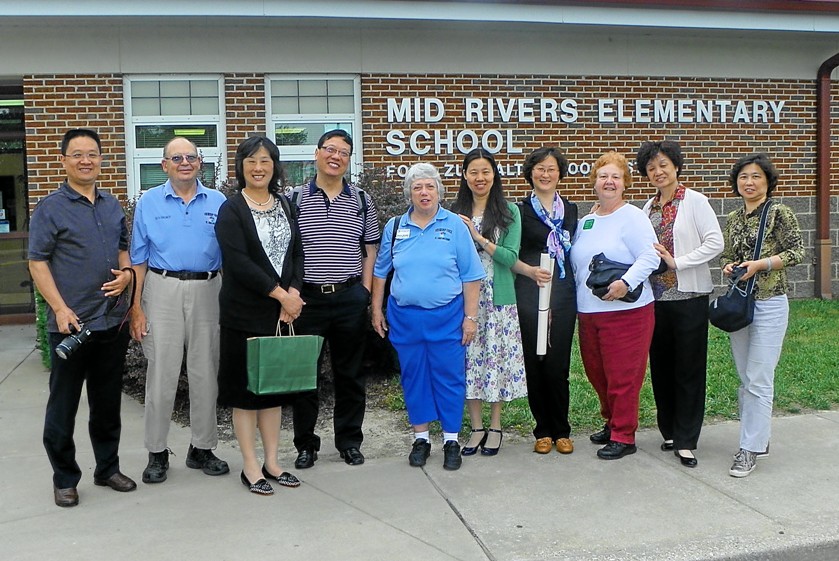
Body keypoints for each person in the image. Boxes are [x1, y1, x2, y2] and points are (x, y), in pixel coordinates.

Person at [28, 129, 137, 507]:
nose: (85, 160)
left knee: (107, 405)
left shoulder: (111, 205)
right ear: (64, 161)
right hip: (71, 325)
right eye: (77, 154)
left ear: (101, 159)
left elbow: (125, 252)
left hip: (111, 323)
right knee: (64, 406)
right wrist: (59, 307)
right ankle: (64, 477)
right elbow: (37, 261)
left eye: (92, 153)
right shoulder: (50, 208)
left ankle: (107, 468)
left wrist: (127, 275)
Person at [129, 137, 229, 484]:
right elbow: (138, 260)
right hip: (162, 289)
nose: (184, 162)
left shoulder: (218, 202)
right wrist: (136, 309)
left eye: (190, 157)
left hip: (208, 289)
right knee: (162, 373)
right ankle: (157, 452)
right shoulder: (148, 202)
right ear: (164, 165)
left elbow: (231, 255)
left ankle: (202, 447)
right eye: (176, 158)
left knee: (205, 373)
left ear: (200, 163)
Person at [371, 163, 483, 470]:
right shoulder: (394, 227)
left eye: (430, 187)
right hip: (405, 318)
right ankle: (420, 438)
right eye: (418, 187)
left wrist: (470, 318)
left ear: (439, 192)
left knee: (449, 378)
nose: (424, 193)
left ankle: (450, 440)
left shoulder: (455, 227)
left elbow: (472, 276)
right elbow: (380, 272)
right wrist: (376, 309)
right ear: (409, 193)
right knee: (413, 377)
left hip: (447, 317)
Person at [215, 136, 305, 495]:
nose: (258, 167)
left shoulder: (285, 203)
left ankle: (272, 461)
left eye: (265, 160)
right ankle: (250, 466)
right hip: (243, 313)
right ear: (241, 166)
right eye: (251, 160)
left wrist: (294, 292)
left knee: (273, 391)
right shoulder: (232, 209)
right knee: (246, 392)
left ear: (275, 166)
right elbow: (238, 263)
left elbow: (298, 252)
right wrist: (281, 294)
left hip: (281, 314)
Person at [291, 129, 380, 469]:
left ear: (349, 160)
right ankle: (305, 445)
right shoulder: (294, 197)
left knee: (351, 375)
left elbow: (370, 249)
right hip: (307, 301)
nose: (336, 156)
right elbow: (286, 251)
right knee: (303, 377)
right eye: (330, 149)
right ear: (317, 154)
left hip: (348, 297)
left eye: (344, 152)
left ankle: (348, 441)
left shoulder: (362, 199)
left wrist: (366, 291)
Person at [637, 140, 724, 468]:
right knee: (661, 368)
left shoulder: (695, 202)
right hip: (655, 301)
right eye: (651, 168)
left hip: (689, 298)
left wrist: (679, 262)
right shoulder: (647, 208)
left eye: (663, 165)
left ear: (676, 166)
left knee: (688, 369)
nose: (658, 172)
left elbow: (716, 242)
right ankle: (670, 430)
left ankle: (687, 439)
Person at [570, 151, 660, 460]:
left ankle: (624, 434)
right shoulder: (586, 221)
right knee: (598, 374)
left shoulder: (632, 217)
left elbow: (651, 256)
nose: (609, 182)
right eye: (603, 176)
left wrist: (626, 283)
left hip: (627, 312)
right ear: (594, 182)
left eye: (616, 177)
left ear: (625, 184)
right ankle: (611, 422)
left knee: (623, 375)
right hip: (590, 312)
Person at [720, 153, 803, 478]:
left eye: (755, 176)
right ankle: (757, 437)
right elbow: (728, 253)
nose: (749, 182)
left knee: (758, 378)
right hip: (741, 305)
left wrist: (761, 264)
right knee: (745, 376)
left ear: (767, 181)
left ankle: (749, 448)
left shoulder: (779, 213)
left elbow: (797, 251)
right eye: (743, 177)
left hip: (769, 303)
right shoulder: (735, 217)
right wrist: (729, 265)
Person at [450, 149, 526, 457]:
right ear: (465, 176)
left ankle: (495, 426)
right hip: (465, 301)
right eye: (473, 172)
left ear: (494, 175)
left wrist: (478, 237)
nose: (480, 178)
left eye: (486, 171)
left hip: (498, 299)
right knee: (470, 362)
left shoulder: (509, 212)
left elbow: (509, 258)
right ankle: (476, 427)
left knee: (495, 362)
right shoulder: (454, 211)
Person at [512, 147, 578, 455]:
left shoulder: (572, 210)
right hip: (529, 291)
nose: (545, 174)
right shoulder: (519, 211)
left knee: (558, 363)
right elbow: (512, 252)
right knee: (535, 360)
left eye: (551, 168)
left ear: (559, 173)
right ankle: (542, 430)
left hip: (563, 292)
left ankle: (561, 429)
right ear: (531, 173)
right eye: (539, 168)